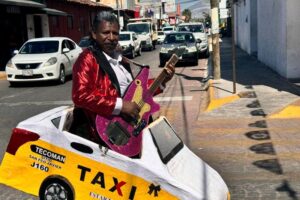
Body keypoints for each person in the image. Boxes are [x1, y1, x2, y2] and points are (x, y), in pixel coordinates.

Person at [71, 11, 175, 153]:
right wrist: (121, 106)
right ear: (94, 34)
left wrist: (163, 80)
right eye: (106, 33)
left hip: (132, 128)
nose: (111, 38)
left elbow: (135, 93)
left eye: (115, 33)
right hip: (108, 134)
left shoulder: (121, 60)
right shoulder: (87, 59)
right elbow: (80, 95)